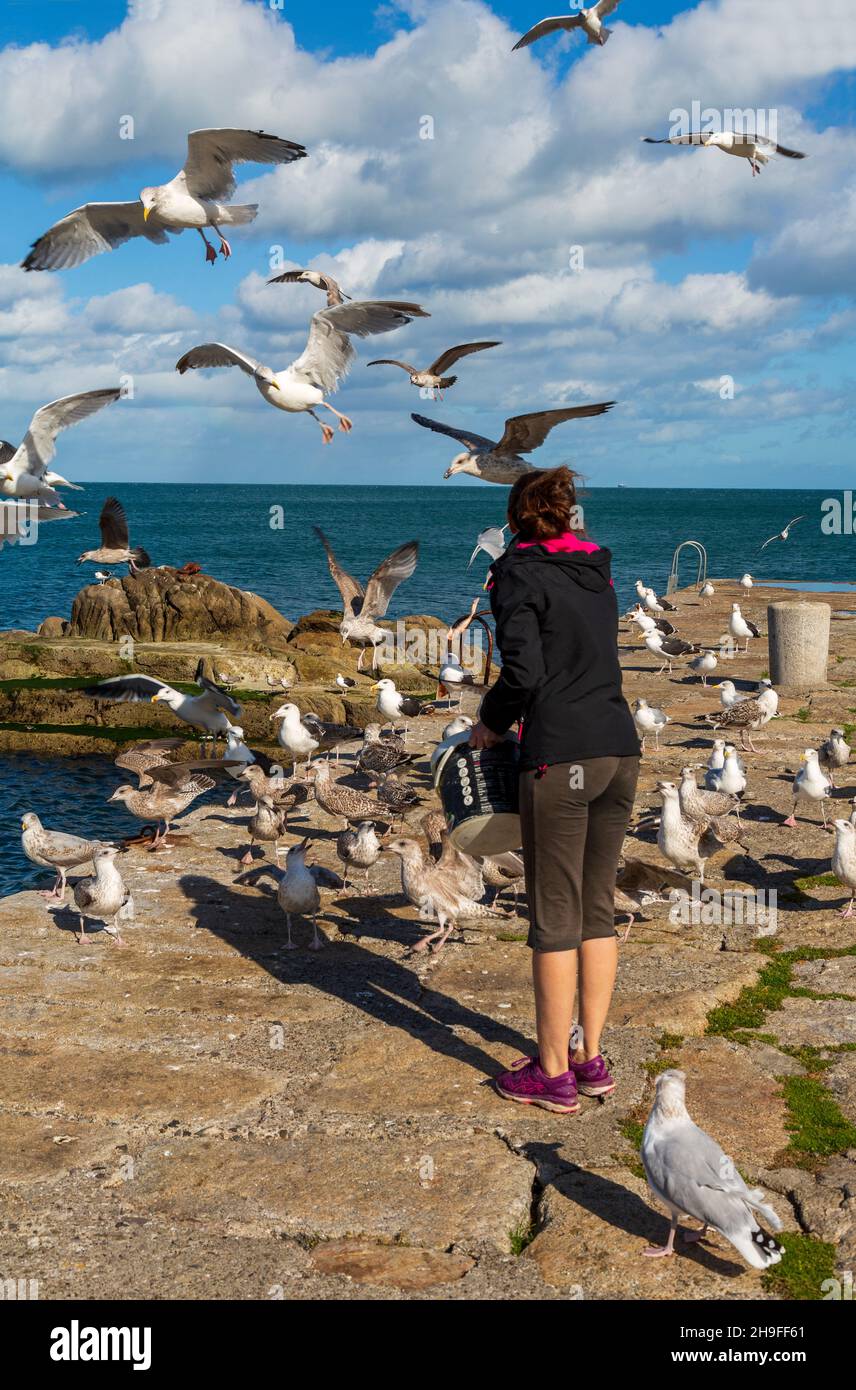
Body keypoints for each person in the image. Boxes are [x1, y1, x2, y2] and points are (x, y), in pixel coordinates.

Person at [469, 465, 640, 1114]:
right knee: (597, 908)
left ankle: (551, 1074)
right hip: (619, 750)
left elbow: (526, 673)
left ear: (515, 521)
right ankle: (589, 1057)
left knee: (553, 919)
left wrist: (489, 720)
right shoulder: (596, 568)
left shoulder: (517, 572)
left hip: (562, 756)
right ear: (568, 517)